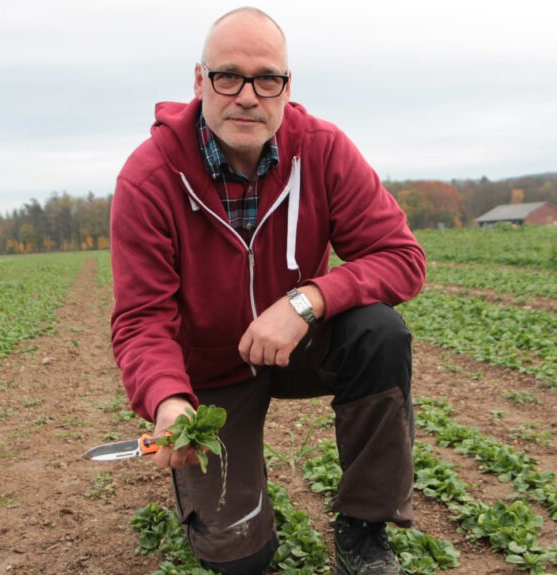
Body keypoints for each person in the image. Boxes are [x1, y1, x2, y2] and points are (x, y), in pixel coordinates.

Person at [110, 7, 426, 575]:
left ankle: (364, 531)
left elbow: (402, 258)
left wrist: (306, 302)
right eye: (228, 76)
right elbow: (141, 319)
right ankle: (240, 532)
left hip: (298, 347)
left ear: (286, 87)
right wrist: (168, 399)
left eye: (268, 79)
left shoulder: (323, 150)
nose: (248, 96)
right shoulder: (151, 176)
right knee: (239, 560)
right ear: (199, 81)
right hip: (211, 371)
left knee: (378, 332)